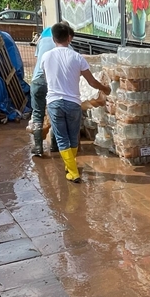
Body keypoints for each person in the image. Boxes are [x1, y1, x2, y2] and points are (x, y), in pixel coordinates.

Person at [41, 22, 108, 183]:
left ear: (53, 37)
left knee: (62, 137)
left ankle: (72, 170)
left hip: (54, 102)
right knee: (72, 137)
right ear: (69, 38)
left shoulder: (46, 56)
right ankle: (71, 168)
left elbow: (46, 78)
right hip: (73, 103)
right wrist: (105, 88)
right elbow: (91, 81)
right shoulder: (77, 57)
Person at [28, 23, 58, 157]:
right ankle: (55, 145)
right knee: (55, 113)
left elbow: (37, 58)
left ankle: (38, 146)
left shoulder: (43, 40)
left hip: (38, 81)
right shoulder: (66, 45)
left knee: (38, 114)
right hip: (53, 82)